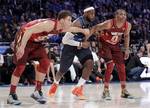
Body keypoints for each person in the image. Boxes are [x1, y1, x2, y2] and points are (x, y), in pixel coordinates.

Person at [7, 10, 90, 105]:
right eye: (69, 20)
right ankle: (11, 95)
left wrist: (83, 30)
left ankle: (37, 91)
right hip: (24, 37)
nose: (71, 22)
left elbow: (72, 29)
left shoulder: (60, 28)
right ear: (62, 20)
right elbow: (28, 31)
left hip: (36, 42)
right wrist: (21, 47)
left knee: (45, 62)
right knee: (21, 66)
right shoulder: (49, 24)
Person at [48, 6, 97, 99]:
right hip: (70, 45)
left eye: (94, 13)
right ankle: (55, 83)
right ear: (85, 13)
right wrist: (80, 43)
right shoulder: (77, 23)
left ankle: (78, 88)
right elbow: (64, 40)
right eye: (91, 13)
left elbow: (86, 34)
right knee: (62, 70)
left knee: (90, 63)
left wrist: (85, 40)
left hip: (80, 44)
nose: (93, 15)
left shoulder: (90, 22)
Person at [93, 9, 133, 100]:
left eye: (124, 14)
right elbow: (95, 27)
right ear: (116, 16)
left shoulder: (128, 25)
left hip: (115, 46)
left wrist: (127, 49)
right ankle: (105, 91)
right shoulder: (108, 23)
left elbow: (126, 36)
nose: (123, 16)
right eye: (120, 14)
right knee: (110, 65)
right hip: (105, 45)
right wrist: (95, 35)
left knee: (122, 67)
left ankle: (124, 91)